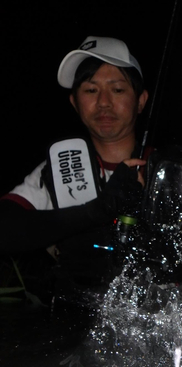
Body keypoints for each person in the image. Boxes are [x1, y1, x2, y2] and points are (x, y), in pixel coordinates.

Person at [0, 36, 158, 294]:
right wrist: (94, 212)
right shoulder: (57, 169)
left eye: (117, 89)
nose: (103, 102)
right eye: (90, 90)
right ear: (75, 103)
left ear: (141, 100)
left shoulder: (174, 168)